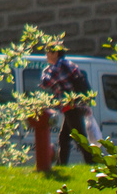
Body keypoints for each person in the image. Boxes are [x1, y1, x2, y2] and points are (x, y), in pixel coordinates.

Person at [41, 43, 95, 171]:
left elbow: (45, 82)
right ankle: (61, 165)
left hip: (71, 106)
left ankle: (91, 163)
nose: (46, 56)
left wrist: (45, 72)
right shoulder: (67, 63)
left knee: (79, 137)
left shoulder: (58, 66)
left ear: (55, 53)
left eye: (48, 52)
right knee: (64, 138)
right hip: (73, 106)